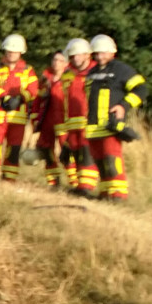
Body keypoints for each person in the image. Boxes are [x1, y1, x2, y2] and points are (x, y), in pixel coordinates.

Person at [83, 34, 145, 201]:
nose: (100, 57)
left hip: (110, 124)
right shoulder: (92, 72)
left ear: (112, 52)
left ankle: (118, 195)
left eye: (103, 53)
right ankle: (105, 193)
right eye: (96, 53)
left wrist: (123, 106)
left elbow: (141, 89)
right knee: (100, 161)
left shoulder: (122, 70)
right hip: (93, 126)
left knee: (112, 160)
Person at [0, 34, 37, 184]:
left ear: (21, 52)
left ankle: (9, 178)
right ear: (5, 51)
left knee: (14, 149)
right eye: (9, 51)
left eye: (15, 51)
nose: (12, 53)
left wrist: (20, 98)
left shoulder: (28, 70)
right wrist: (3, 97)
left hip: (18, 118)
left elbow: (33, 89)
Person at [60, 38, 97, 194]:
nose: (75, 58)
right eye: (72, 55)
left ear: (88, 55)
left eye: (79, 55)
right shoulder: (67, 74)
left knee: (87, 152)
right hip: (71, 122)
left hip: (89, 120)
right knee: (76, 152)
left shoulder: (96, 72)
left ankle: (87, 187)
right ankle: (81, 185)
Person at [34, 50, 70, 187]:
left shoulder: (69, 78)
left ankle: (74, 182)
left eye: (60, 60)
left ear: (66, 63)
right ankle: (53, 181)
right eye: (55, 60)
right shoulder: (45, 79)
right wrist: (35, 118)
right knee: (45, 149)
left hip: (63, 120)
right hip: (47, 120)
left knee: (66, 151)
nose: (56, 63)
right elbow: (37, 99)